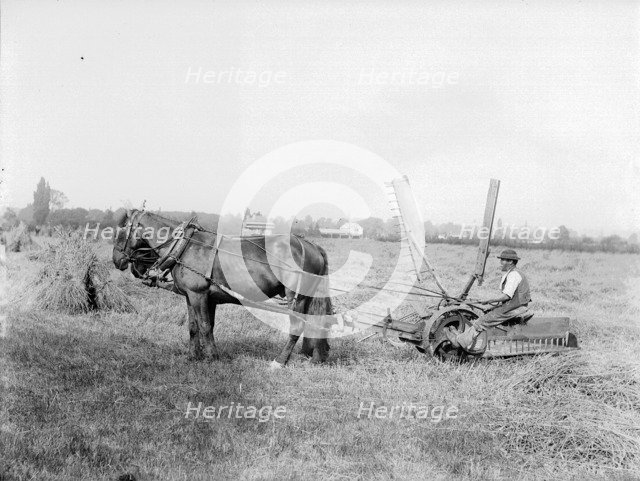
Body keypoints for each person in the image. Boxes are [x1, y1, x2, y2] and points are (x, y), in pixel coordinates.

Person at [445, 248, 531, 351]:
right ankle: (462, 336)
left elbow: (506, 296)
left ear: (511, 261)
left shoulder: (513, 275)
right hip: (515, 305)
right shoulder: (513, 273)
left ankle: (458, 342)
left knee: (482, 321)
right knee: (487, 313)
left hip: (516, 307)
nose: (501, 262)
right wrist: (490, 306)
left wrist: (489, 301)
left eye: (503, 260)